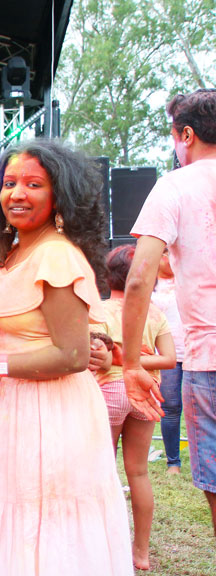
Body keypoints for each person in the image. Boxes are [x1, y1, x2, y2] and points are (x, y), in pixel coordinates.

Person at [0, 139, 133, 575]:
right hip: (17, 406)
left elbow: (70, 356)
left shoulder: (55, 255)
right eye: (10, 183)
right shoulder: (11, 252)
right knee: (26, 517)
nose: (17, 193)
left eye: (34, 184)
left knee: (55, 522)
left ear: (58, 196)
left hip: (56, 412)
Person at [123, 88, 216, 536]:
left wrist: (130, 362)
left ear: (187, 135)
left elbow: (139, 278)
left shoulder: (175, 186)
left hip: (210, 356)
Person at [92, 244, 175, 570]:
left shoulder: (99, 311)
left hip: (110, 391)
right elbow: (168, 359)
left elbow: (94, 357)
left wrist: (122, 358)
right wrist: (137, 359)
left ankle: (105, 550)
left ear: (108, 275)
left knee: (103, 474)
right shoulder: (155, 313)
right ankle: (140, 553)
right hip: (147, 393)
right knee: (138, 472)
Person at [150, 248, 186, 474]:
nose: (170, 257)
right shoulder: (147, 286)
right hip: (165, 356)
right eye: (164, 252)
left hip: (195, 352)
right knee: (170, 407)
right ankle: (173, 462)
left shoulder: (189, 279)